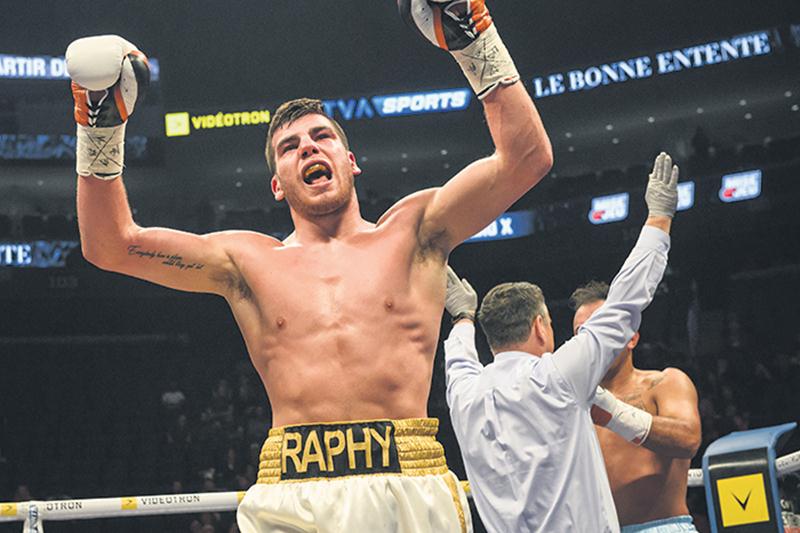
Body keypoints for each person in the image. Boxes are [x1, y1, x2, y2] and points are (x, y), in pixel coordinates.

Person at [65, 1, 552, 531]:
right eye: (290, 147)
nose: (308, 148)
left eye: (322, 137)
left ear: (350, 161)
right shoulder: (246, 262)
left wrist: (473, 38)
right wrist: (101, 124)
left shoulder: (416, 232)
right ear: (278, 184)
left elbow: (526, 159)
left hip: (407, 484)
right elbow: (110, 245)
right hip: (291, 495)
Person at [443, 153, 680, 532]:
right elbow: (624, 302)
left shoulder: (464, 397)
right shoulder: (558, 376)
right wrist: (658, 219)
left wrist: (461, 317)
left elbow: (458, 359)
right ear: (540, 327)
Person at [571, 280, 701, 532]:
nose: (591, 342)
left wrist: (614, 414)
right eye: (582, 333)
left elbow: (688, 439)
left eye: (600, 329)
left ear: (631, 338)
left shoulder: (664, 383)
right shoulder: (572, 402)